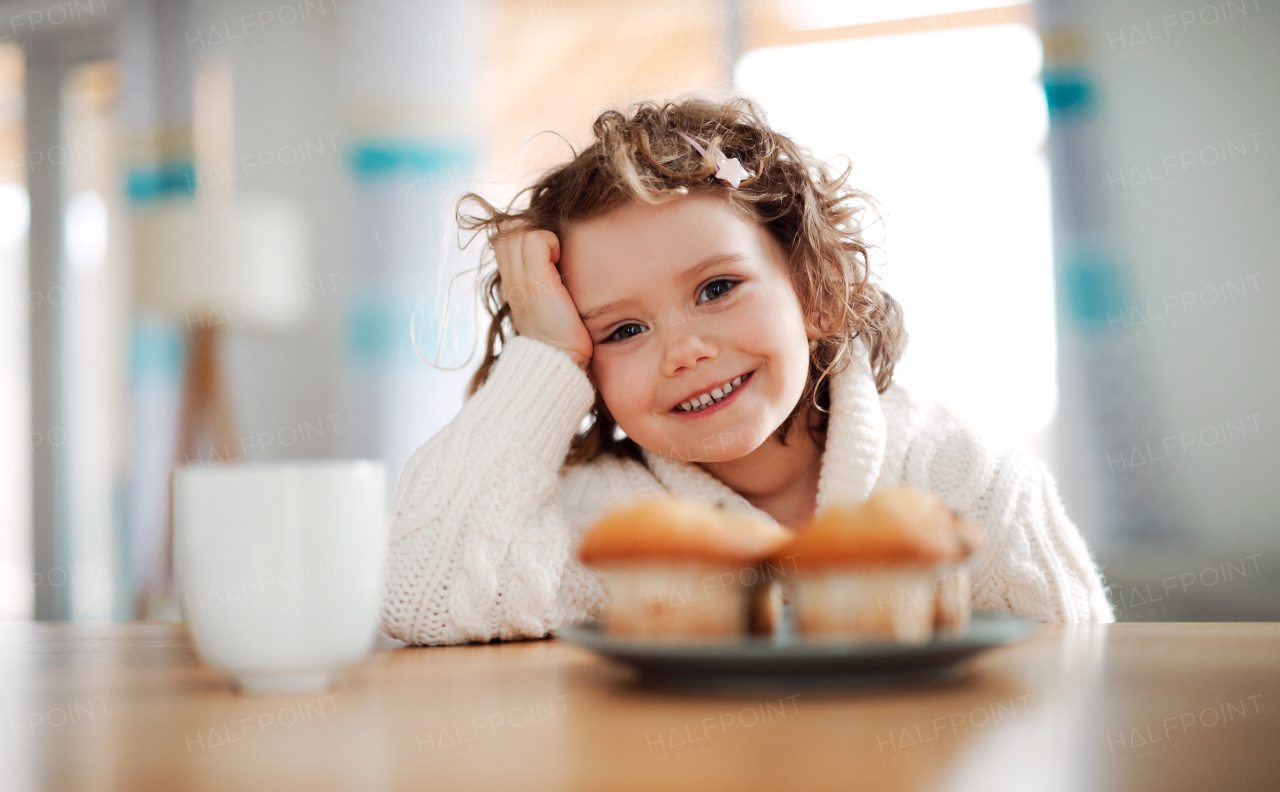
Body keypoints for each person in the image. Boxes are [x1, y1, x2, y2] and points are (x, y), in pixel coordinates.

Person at [379, 96, 1113, 646]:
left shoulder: (958, 478)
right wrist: (541, 349)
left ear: (816, 292)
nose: (684, 351)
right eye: (624, 330)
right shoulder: (608, 523)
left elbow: (1078, 680)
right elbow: (418, 592)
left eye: (717, 289)